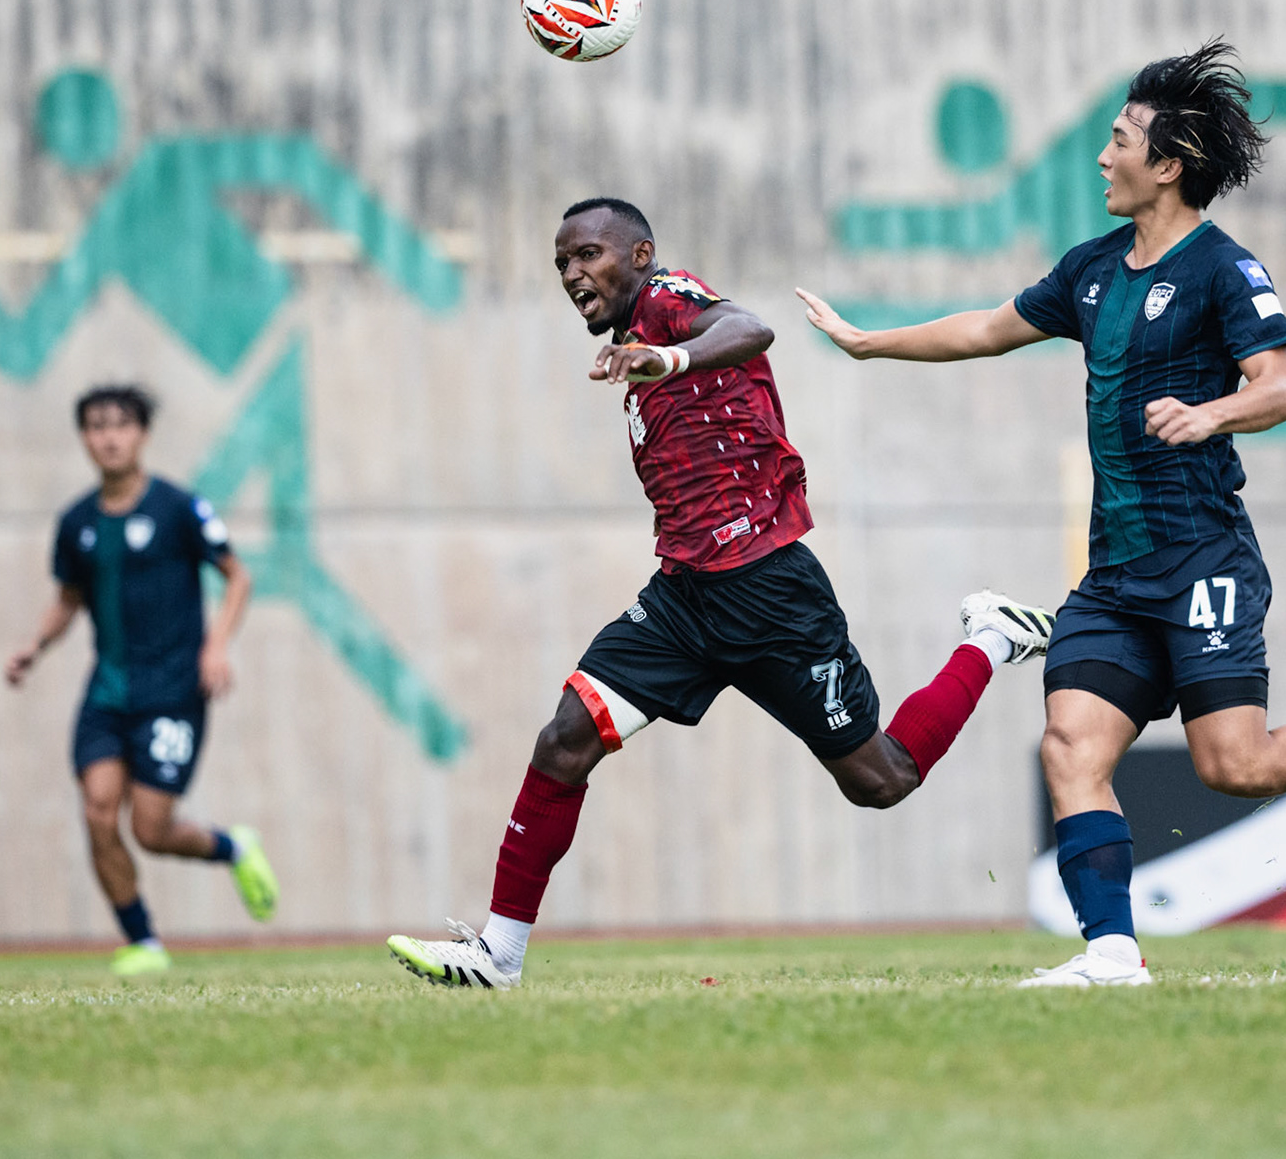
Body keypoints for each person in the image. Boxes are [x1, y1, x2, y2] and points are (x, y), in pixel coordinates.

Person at [799, 41, 1286, 989]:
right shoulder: (1092, 268)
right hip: (1116, 576)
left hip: (1203, 558)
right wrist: (868, 343)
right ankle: (1112, 952)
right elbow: (988, 328)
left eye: (1120, 140)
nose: (1102, 156)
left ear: (1168, 164)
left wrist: (1211, 413)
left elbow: (1281, 387)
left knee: (1235, 765)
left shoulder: (1224, 269)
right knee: (1071, 745)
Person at [386, 198, 1055, 989]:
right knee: (564, 740)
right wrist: (647, 362)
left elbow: (749, 328)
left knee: (882, 780)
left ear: (640, 255)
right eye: (562, 261)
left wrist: (665, 360)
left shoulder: (670, 300)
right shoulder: (635, 340)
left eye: (589, 253)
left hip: (771, 592)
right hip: (684, 597)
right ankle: (499, 953)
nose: (572, 272)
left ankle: (991, 636)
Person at [6, 386, 279, 975]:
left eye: (121, 424)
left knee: (151, 830)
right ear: (84, 438)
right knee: (98, 811)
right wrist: (35, 646)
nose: (109, 437)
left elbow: (238, 577)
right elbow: (69, 599)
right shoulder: (76, 523)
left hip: (174, 693)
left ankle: (235, 848)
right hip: (107, 694)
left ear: (143, 434)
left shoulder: (179, 508)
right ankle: (143, 942)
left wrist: (215, 646)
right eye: (97, 426)